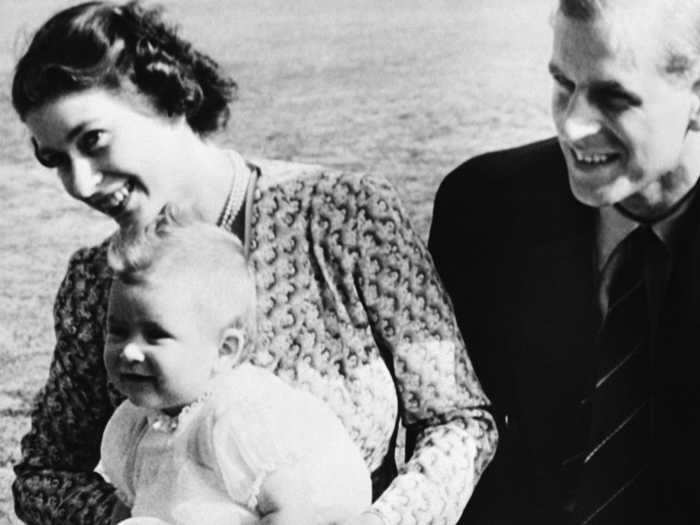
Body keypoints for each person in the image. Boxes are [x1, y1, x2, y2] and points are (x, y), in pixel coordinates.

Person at [11, 2, 497, 524]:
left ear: (167, 102)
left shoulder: (345, 217)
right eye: (56, 159)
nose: (80, 183)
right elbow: (45, 473)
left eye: (93, 141)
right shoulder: (96, 281)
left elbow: (458, 421)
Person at [429, 0, 700, 523]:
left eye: (613, 98)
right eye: (563, 85)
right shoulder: (482, 209)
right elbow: (448, 430)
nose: (573, 126)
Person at [99, 204, 371, 525]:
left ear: (223, 351)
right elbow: (132, 505)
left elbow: (293, 512)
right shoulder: (136, 425)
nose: (130, 351)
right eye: (117, 331)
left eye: (156, 335)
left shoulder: (238, 419)